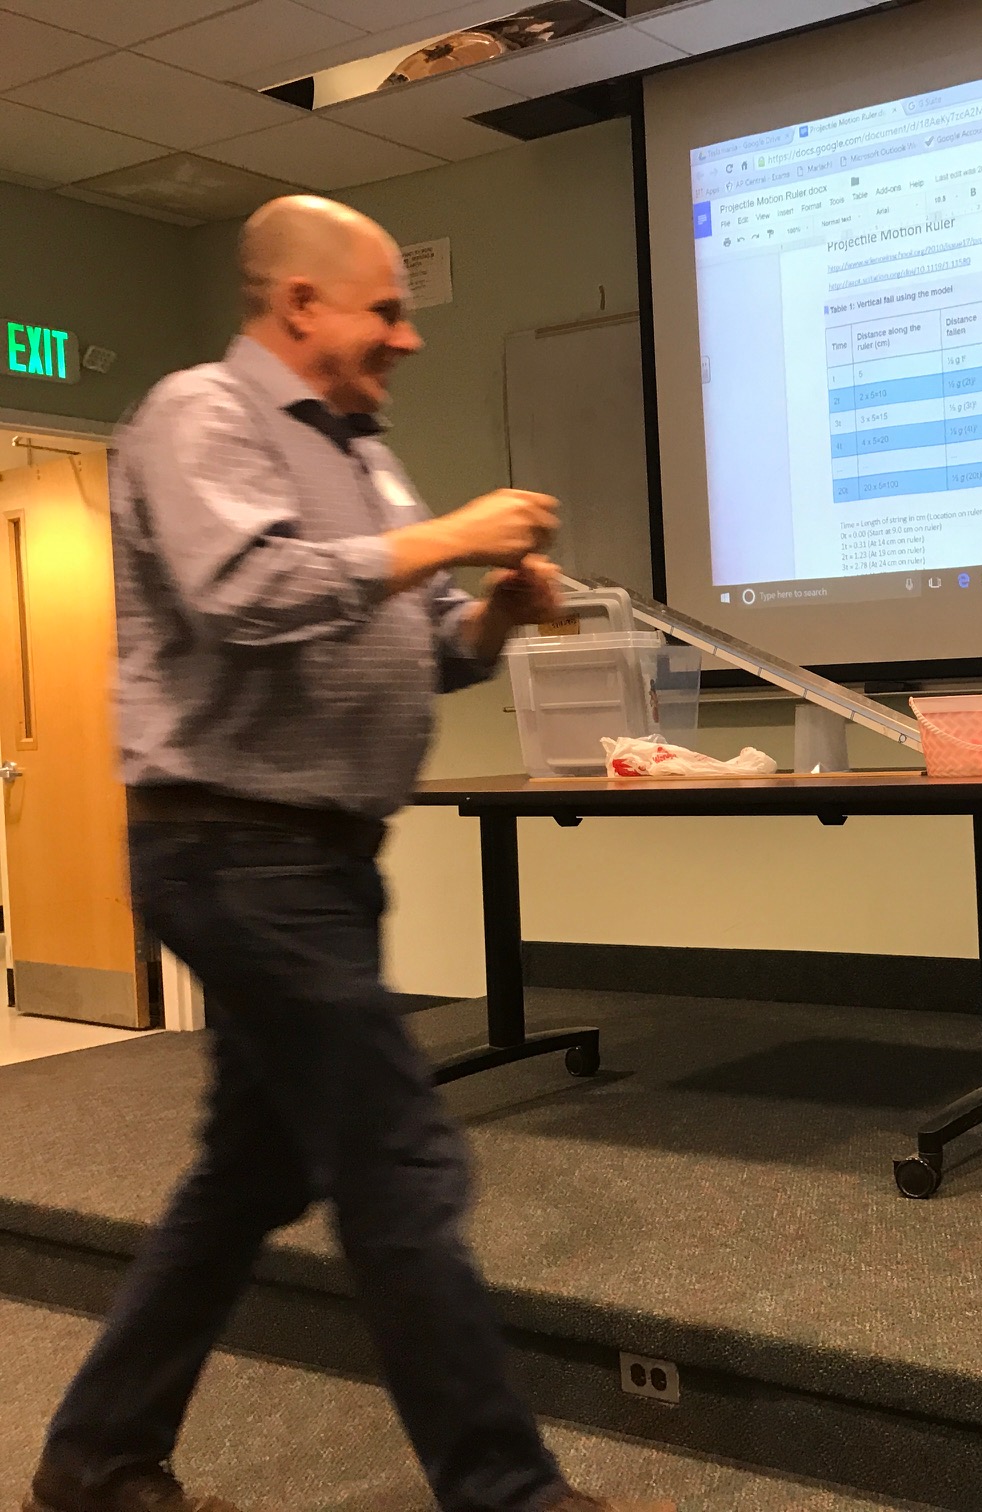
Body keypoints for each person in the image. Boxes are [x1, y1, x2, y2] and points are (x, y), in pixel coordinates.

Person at [21, 197, 672, 1512]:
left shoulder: (363, 454)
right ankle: (507, 1493)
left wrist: (496, 612)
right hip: (232, 851)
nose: (409, 337)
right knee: (400, 1161)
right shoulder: (198, 412)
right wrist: (455, 539)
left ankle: (94, 1463)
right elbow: (243, 593)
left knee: (249, 1173)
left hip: (317, 864)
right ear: (301, 305)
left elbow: (426, 644)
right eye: (389, 309)